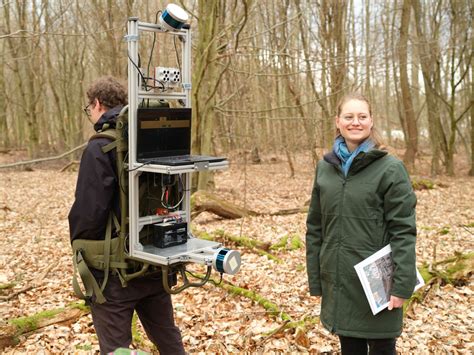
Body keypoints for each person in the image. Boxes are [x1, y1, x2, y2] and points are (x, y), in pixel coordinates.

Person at [68, 76, 185, 354]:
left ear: (97, 104)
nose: (90, 114)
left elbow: (89, 212)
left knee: (116, 348)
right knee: (169, 340)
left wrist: (84, 250)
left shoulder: (100, 146)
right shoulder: (152, 137)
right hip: (154, 261)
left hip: (115, 273)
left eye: (89, 108)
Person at [305, 93, 417, 355]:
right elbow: (315, 228)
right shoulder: (325, 168)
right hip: (340, 281)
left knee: (382, 348)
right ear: (338, 121)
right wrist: (317, 279)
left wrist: (402, 285)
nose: (356, 122)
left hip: (379, 285)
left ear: (371, 121)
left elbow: (404, 231)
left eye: (362, 117)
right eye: (349, 117)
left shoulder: (390, 169)